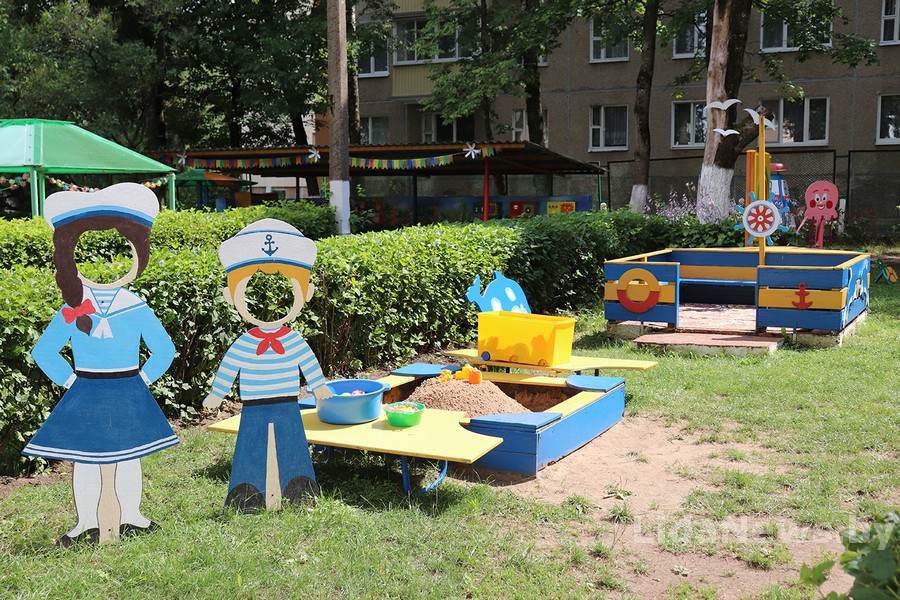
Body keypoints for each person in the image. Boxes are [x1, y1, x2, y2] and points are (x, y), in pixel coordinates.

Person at [23, 182, 177, 546]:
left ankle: (132, 515)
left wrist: (142, 379)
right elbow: (44, 351)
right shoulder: (72, 308)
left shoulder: (135, 306)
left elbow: (164, 350)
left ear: (139, 257)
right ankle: (86, 522)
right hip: (87, 389)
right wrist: (70, 381)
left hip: (128, 388)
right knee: (86, 458)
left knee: (130, 455)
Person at [203, 218, 331, 513]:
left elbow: (308, 362)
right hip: (253, 405)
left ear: (306, 293)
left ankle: (299, 488)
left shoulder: (294, 339)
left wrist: (319, 386)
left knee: (292, 442)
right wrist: (217, 393)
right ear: (230, 297)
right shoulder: (245, 342)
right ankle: (246, 491)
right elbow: (229, 366)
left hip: (287, 403)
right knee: (251, 444)